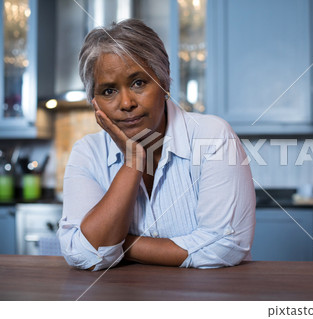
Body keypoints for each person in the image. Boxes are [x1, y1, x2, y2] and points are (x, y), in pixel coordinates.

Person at [57, 19, 255, 271]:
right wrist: (133, 161)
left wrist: (116, 244)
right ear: (94, 101)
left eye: (138, 82)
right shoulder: (88, 152)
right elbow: (81, 255)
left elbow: (225, 247)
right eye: (108, 91)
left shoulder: (213, 136)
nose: (126, 103)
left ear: (164, 83)